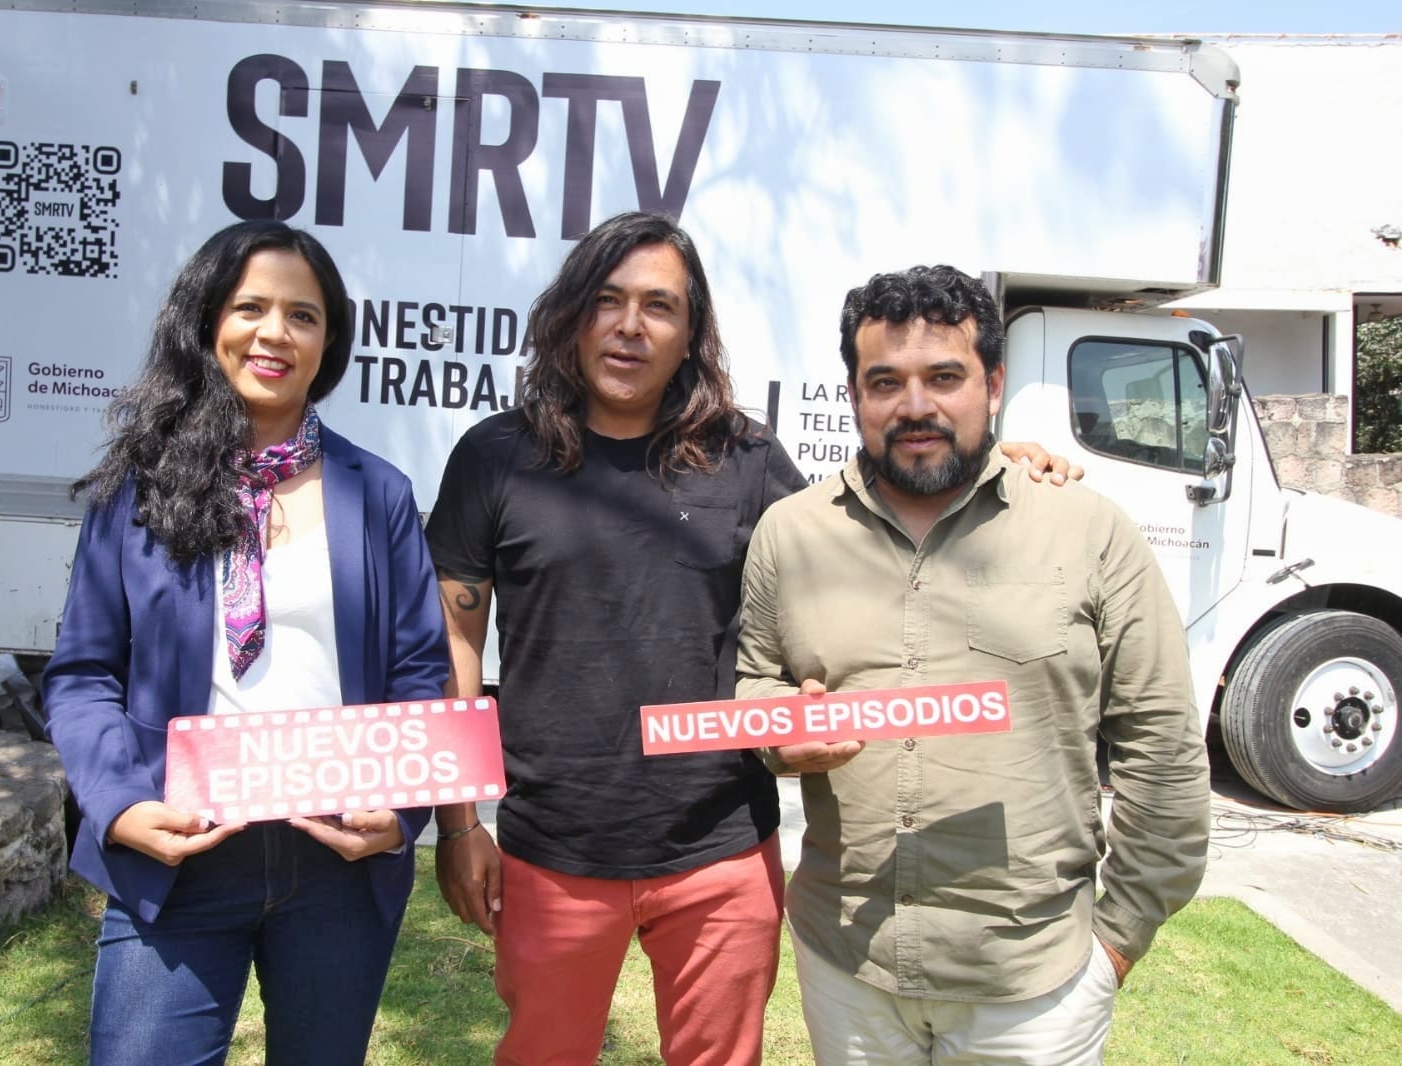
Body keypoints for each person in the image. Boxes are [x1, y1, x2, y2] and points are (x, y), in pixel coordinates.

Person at [426, 213, 1076, 1066]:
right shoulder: (495, 457)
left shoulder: (743, 455)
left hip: (720, 849)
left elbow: (866, 520)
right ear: (571, 315)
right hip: (552, 848)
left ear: (690, 330)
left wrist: (988, 457)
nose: (629, 326)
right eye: (607, 300)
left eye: (659, 306)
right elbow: (455, 640)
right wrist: (457, 824)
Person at [735, 264, 1211, 1065]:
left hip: (1035, 984)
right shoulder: (789, 533)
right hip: (846, 965)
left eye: (943, 377)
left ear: (992, 385)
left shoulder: (1088, 532)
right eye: (884, 381)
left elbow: (1161, 747)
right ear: (853, 394)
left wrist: (1117, 941)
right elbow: (754, 682)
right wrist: (777, 733)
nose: (914, 405)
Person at [43, 220, 448, 1066]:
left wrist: (402, 812)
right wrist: (121, 804)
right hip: (180, 853)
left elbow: (419, 671)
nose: (275, 333)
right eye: (250, 308)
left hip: (336, 861)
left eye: (303, 315)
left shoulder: (377, 494)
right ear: (206, 323)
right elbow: (82, 675)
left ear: (328, 342)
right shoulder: (138, 491)